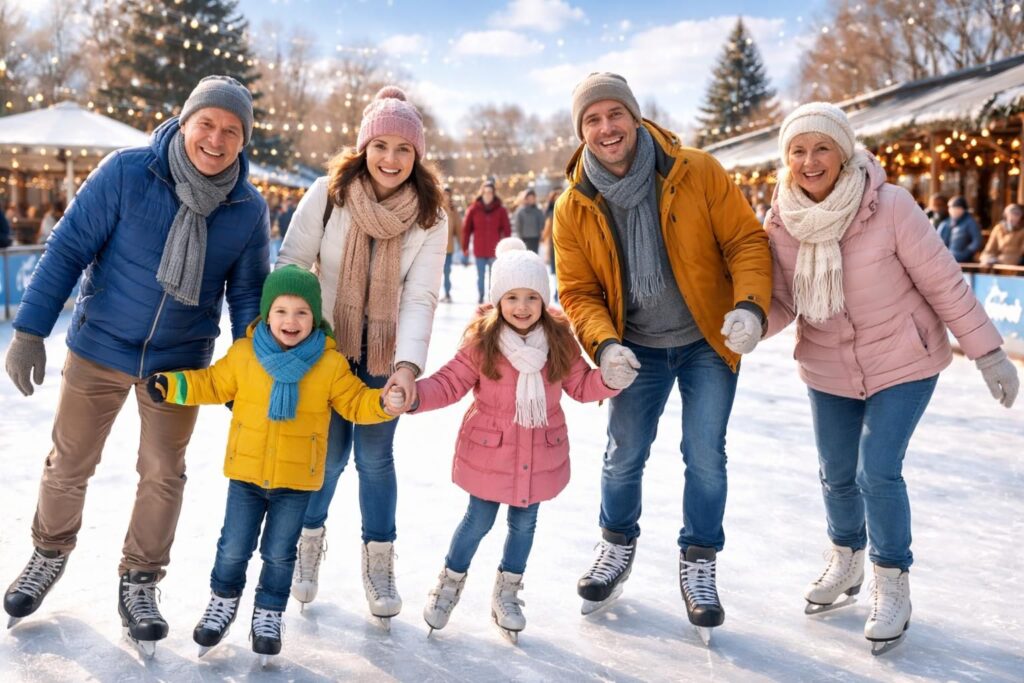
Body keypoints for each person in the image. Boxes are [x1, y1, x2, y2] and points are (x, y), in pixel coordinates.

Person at [2, 75, 269, 654]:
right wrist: (30, 330)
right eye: (207, 123)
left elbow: (248, 295)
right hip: (99, 347)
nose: (216, 139)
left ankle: (140, 580)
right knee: (69, 461)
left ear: (244, 140)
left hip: (180, 362)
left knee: (163, 473)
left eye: (232, 130)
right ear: (184, 120)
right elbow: (67, 249)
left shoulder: (247, 208)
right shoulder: (127, 172)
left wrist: (249, 369)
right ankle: (48, 553)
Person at [764, 102, 1018, 654]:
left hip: (904, 360)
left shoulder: (891, 205)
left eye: (822, 147)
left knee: (875, 470)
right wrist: (748, 324)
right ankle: (846, 558)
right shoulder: (782, 220)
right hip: (828, 365)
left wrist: (988, 352)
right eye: (798, 150)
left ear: (844, 152)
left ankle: (891, 579)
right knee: (836, 474)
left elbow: (944, 282)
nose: (810, 161)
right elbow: (784, 301)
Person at [553, 72, 771, 640]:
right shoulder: (574, 205)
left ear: (635, 117)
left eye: (615, 114)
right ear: (581, 132)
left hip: (705, 339)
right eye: (592, 120)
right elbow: (578, 291)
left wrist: (750, 306)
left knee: (705, 454)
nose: (606, 128)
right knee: (623, 454)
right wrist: (605, 344)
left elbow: (746, 240)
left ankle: (699, 559)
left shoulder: (695, 170)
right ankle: (615, 544)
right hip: (635, 347)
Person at [146, 266, 402, 662]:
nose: (290, 320)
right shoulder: (245, 355)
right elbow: (211, 384)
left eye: (301, 312)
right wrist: (172, 385)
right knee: (233, 548)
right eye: (281, 310)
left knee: (280, 554)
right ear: (267, 314)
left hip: (296, 483)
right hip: (246, 477)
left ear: (315, 317)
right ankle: (222, 602)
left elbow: (355, 402)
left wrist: (383, 403)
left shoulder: (330, 364)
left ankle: (268, 613)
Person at [274, 86, 446, 628]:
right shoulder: (329, 194)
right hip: (324, 347)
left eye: (404, 148)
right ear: (363, 147)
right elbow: (292, 263)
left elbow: (420, 295)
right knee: (326, 458)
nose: (391, 159)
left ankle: (379, 563)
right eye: (381, 146)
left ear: (417, 155)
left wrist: (407, 367)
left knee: (374, 459)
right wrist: (292, 336)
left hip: (383, 354)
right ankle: (307, 543)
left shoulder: (430, 215)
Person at [396, 238, 619, 641]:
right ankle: (449, 582)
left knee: (524, 525)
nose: (522, 307)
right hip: (490, 453)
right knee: (477, 521)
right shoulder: (483, 340)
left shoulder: (559, 340)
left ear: (543, 299)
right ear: (498, 300)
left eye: (531, 297)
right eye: (512, 297)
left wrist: (609, 379)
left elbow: (581, 385)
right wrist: (414, 396)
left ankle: (507, 593)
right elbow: (450, 383)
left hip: (539, 452)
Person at [462, 180, 511, 304]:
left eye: (490, 192)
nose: (488, 195)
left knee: (493, 276)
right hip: (479, 249)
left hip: (494, 250)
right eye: (486, 192)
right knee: (480, 275)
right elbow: (466, 230)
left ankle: (491, 299)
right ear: (482, 193)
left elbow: (506, 229)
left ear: (494, 194)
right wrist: (465, 247)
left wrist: (507, 247)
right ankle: (481, 296)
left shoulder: (501, 210)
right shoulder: (473, 209)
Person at [937, 196, 982, 262]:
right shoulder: (945, 223)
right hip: (946, 259)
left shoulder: (970, 222)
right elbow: (938, 241)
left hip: (963, 259)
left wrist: (967, 252)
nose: (952, 210)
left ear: (962, 209)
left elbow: (977, 241)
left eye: (955, 208)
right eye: (950, 207)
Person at [441, 186, 462, 302]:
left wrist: (462, 244)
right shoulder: (436, 208)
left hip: (448, 248)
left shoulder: (453, 212)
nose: (446, 197)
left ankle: (447, 294)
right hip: (435, 248)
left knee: (447, 271)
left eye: (448, 195)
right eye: (444, 194)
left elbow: (458, 229)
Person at [512, 188, 545, 253]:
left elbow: (541, 223)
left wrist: (541, 234)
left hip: (535, 237)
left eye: (532, 198)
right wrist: (519, 236)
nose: (531, 200)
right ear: (526, 199)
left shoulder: (538, 211)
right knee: (525, 254)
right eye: (529, 198)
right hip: (524, 237)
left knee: (534, 254)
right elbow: (518, 225)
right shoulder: (520, 211)